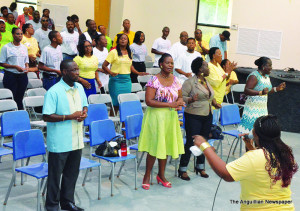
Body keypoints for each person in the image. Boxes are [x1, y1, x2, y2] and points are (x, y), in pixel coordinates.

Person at [193, 115, 298, 210]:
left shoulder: (254, 157)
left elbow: (226, 174)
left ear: (254, 133)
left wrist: (205, 146)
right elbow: (260, 168)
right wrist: (250, 147)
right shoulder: (286, 153)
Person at [43, 59, 87, 211]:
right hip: (60, 141)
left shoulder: (79, 87)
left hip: (76, 139)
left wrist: (84, 113)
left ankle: (67, 202)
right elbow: (47, 116)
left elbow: (84, 105)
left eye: (77, 69)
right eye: (73, 70)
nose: (77, 73)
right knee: (55, 177)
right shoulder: (53, 91)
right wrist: (70, 116)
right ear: (64, 72)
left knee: (71, 174)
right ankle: (52, 206)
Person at [138, 53, 185, 190]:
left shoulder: (176, 80)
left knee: (165, 147)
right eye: (168, 63)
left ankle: (161, 175)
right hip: (156, 117)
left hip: (170, 118)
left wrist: (179, 103)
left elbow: (180, 98)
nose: (170, 65)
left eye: (172, 63)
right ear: (160, 64)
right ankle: (147, 176)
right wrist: (169, 105)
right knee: (154, 147)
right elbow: (149, 101)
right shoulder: (154, 80)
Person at [178, 57, 221, 181]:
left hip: (207, 115)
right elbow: (181, 97)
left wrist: (214, 103)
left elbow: (209, 96)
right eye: (206, 66)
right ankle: (183, 169)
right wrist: (191, 99)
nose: (208, 68)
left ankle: (200, 167)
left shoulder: (206, 81)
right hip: (193, 115)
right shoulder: (190, 82)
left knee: (204, 142)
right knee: (191, 142)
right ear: (200, 69)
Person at [238, 57, 286, 133]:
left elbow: (267, 91)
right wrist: (260, 92)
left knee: (260, 135)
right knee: (250, 135)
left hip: (262, 109)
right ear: (263, 66)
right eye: (269, 65)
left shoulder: (266, 76)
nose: (271, 68)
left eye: (271, 65)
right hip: (252, 110)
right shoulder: (254, 76)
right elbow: (246, 90)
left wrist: (277, 88)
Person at [102, 33, 147, 114]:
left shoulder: (130, 53)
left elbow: (130, 66)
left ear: (127, 41)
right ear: (118, 41)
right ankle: (113, 123)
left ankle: (123, 125)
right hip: (116, 80)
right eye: (121, 38)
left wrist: (138, 73)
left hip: (127, 80)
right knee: (115, 104)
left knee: (125, 103)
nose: (123, 40)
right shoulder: (113, 52)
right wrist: (111, 73)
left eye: (125, 39)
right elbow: (104, 66)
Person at [0, 28, 29, 109]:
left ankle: (19, 114)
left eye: (21, 34)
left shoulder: (24, 47)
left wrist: (27, 67)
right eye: (17, 34)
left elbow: (26, 61)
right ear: (13, 35)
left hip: (22, 76)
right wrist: (15, 67)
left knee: (20, 98)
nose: (20, 36)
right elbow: (2, 63)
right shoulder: (6, 47)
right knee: (11, 97)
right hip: (11, 76)